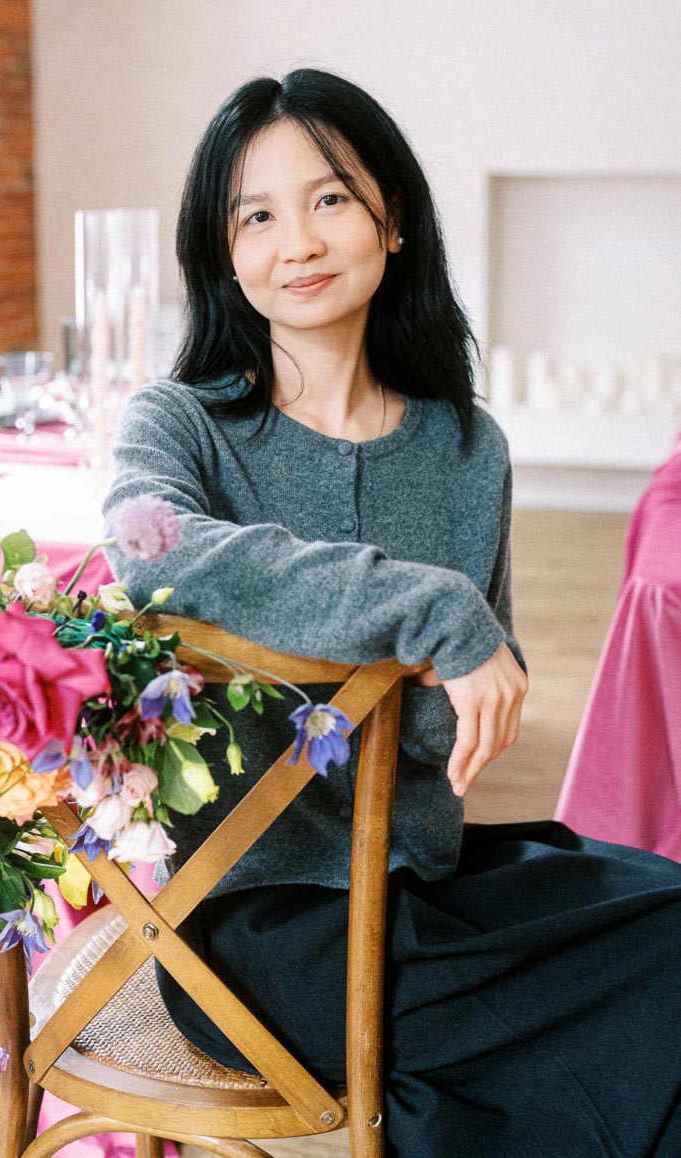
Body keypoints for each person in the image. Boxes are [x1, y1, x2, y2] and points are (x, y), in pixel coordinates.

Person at [103, 69, 681, 1156]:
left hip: (422, 882)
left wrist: (440, 653)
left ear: (393, 218)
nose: (299, 242)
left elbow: (444, 740)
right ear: (223, 254)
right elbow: (153, 552)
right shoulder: (179, 421)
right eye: (257, 216)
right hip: (249, 927)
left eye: (330, 199)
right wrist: (424, 605)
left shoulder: (466, 450)